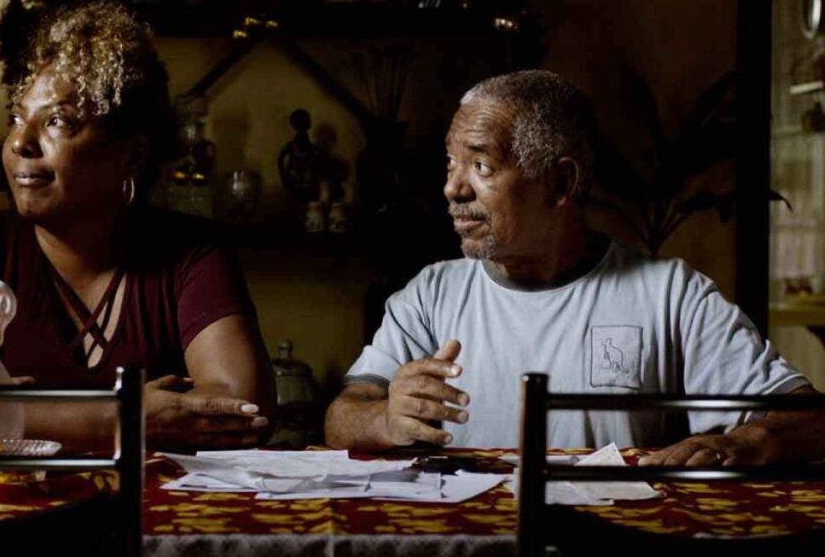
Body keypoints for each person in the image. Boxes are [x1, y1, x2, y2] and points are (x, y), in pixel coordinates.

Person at [325, 70, 825, 466]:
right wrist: (386, 419)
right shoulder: (431, 293)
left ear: (561, 185)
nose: (452, 189)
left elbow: (809, 416)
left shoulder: (670, 295)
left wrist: (747, 441)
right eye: (450, 165)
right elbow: (342, 417)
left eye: (480, 166)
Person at [0, 0, 275, 452]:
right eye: (17, 117)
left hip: (151, 516)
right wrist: (125, 416)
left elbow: (245, 410)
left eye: (58, 121)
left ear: (130, 155)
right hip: (5, 514)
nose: (20, 142)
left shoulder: (192, 253)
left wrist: (1, 412)